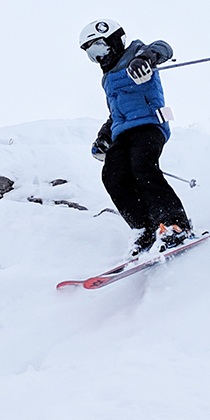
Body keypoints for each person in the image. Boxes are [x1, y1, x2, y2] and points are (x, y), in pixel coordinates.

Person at [78, 19, 194, 255]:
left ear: (115, 41)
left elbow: (163, 48)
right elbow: (115, 114)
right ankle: (144, 228)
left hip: (150, 125)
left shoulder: (137, 53)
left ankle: (175, 223)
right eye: (91, 54)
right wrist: (103, 136)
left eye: (100, 48)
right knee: (113, 175)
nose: (98, 58)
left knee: (142, 166)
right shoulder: (107, 78)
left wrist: (145, 59)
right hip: (123, 132)